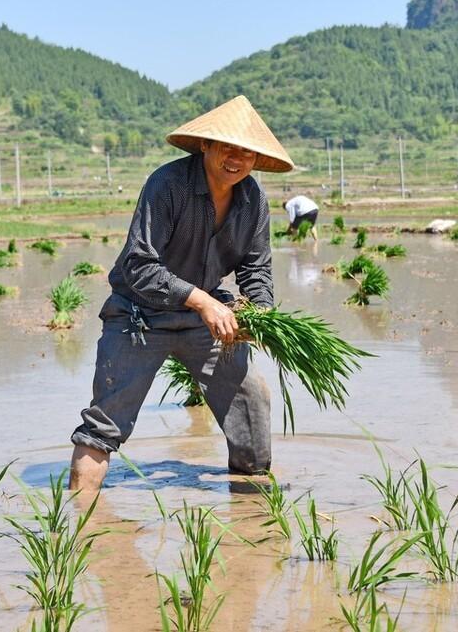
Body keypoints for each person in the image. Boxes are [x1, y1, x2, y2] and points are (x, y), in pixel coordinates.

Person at [69, 95, 296, 495]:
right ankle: (76, 526)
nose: (237, 159)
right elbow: (139, 264)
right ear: (206, 145)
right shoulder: (167, 185)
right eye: (228, 147)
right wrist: (203, 300)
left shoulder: (254, 201)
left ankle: (253, 518)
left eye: (247, 152)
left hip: (202, 320)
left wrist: (260, 316)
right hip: (139, 316)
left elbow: (255, 269)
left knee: (251, 400)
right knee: (104, 422)